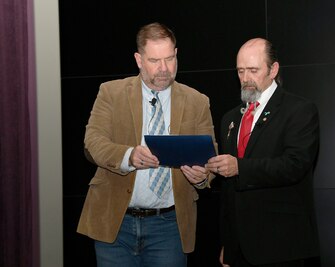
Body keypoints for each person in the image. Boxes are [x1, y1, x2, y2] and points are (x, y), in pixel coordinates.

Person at [77, 22, 217, 267]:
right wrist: (128, 156)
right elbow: (92, 142)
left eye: (170, 58)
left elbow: (209, 156)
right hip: (115, 222)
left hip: (169, 227)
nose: (164, 68)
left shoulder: (197, 101)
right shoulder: (111, 92)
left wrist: (203, 175)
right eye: (154, 60)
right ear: (139, 60)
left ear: (177, 54)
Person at [206, 38, 320, 267]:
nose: (245, 78)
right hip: (239, 250)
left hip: (282, 247)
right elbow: (229, 192)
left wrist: (240, 167)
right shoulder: (230, 119)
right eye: (240, 71)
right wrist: (228, 243)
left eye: (253, 70)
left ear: (273, 69)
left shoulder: (299, 110)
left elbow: (295, 166)